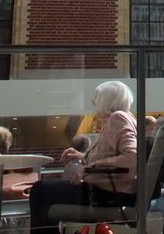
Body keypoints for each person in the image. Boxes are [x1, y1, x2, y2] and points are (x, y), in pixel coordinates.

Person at [29, 81, 138, 234]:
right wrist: (82, 156)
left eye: (97, 97)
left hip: (107, 195)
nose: (94, 101)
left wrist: (89, 168)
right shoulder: (124, 119)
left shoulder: (118, 118)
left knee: (40, 190)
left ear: (107, 99)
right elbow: (113, 154)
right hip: (110, 192)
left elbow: (132, 158)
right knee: (45, 191)